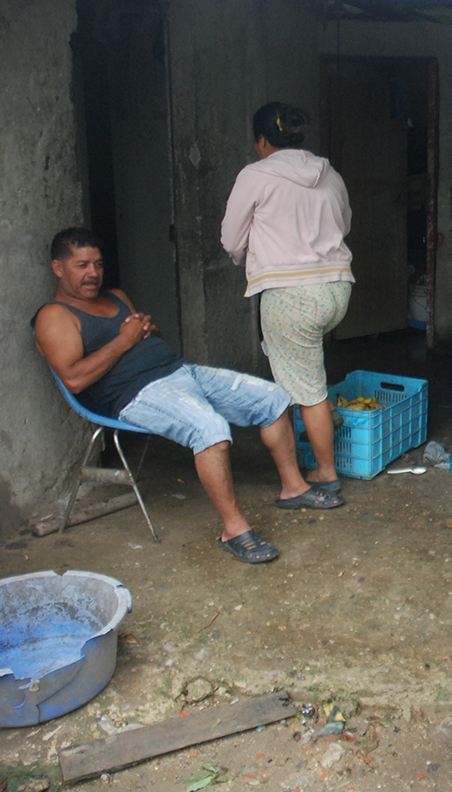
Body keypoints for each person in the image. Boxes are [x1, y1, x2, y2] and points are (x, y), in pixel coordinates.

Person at [33, 228, 344, 564]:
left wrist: (148, 332)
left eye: (97, 264)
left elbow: (144, 342)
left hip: (181, 372)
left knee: (273, 397)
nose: (93, 273)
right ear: (58, 267)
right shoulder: (55, 316)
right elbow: (75, 379)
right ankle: (234, 529)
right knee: (209, 431)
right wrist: (125, 340)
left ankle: (293, 487)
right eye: (81, 265)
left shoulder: (116, 297)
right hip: (136, 395)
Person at [220, 101, 353, 494]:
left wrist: (246, 255)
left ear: (262, 141)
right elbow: (343, 224)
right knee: (307, 373)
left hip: (290, 295)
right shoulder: (330, 175)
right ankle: (325, 423)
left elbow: (231, 237)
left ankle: (325, 472)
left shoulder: (256, 176)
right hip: (336, 288)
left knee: (308, 389)